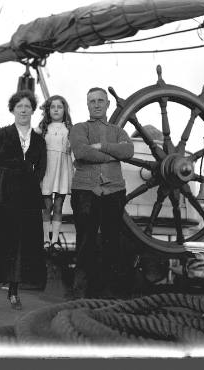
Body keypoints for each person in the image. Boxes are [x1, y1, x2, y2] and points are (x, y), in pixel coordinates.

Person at [0, 90, 47, 311]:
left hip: (26, 197)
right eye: (19, 106)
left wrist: (31, 185)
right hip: (1, 194)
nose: (23, 110)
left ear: (33, 110)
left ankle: (14, 292)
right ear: (13, 110)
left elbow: (41, 168)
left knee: (20, 243)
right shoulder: (1, 134)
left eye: (27, 106)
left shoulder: (38, 140)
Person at [69, 87, 134, 298]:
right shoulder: (78, 128)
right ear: (87, 105)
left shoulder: (118, 130)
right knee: (85, 242)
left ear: (107, 104)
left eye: (100, 101)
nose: (96, 105)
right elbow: (80, 151)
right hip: (84, 192)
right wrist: (112, 154)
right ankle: (81, 294)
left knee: (112, 242)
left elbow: (128, 151)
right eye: (92, 101)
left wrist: (100, 146)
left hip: (114, 191)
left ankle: (110, 294)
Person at [36, 95, 73, 251]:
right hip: (47, 170)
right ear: (48, 110)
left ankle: (55, 240)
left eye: (60, 107)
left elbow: (75, 150)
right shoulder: (41, 129)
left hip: (63, 169)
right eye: (53, 107)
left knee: (58, 205)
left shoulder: (70, 129)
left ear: (64, 110)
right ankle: (45, 239)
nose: (56, 110)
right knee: (47, 206)